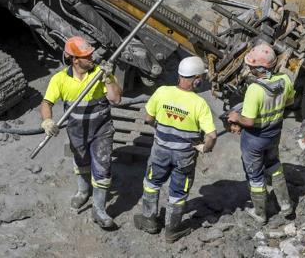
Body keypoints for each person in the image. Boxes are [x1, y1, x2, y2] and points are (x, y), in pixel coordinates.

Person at [39, 36, 122, 229]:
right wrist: (47, 120)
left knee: (103, 166)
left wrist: (109, 78)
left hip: (101, 128)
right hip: (76, 129)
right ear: (75, 59)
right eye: (87, 55)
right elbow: (46, 103)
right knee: (81, 160)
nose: (92, 57)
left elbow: (116, 99)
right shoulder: (59, 79)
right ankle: (83, 192)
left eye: (91, 53)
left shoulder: (101, 73)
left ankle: (99, 210)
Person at [133, 56, 217, 243]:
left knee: (151, 183)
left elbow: (148, 118)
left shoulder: (162, 92)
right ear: (196, 79)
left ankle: (149, 220)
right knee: (178, 192)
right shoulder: (199, 103)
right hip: (184, 156)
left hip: (160, 150)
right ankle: (172, 230)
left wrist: (161, 130)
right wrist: (205, 148)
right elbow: (211, 135)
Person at [227, 42, 295, 224]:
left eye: (250, 66)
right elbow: (289, 102)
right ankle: (286, 205)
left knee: (255, 175)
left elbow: (248, 121)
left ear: (259, 68)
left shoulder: (254, 90)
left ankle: (260, 213)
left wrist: (235, 117)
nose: (248, 68)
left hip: (255, 138)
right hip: (274, 134)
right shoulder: (285, 80)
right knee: (274, 165)